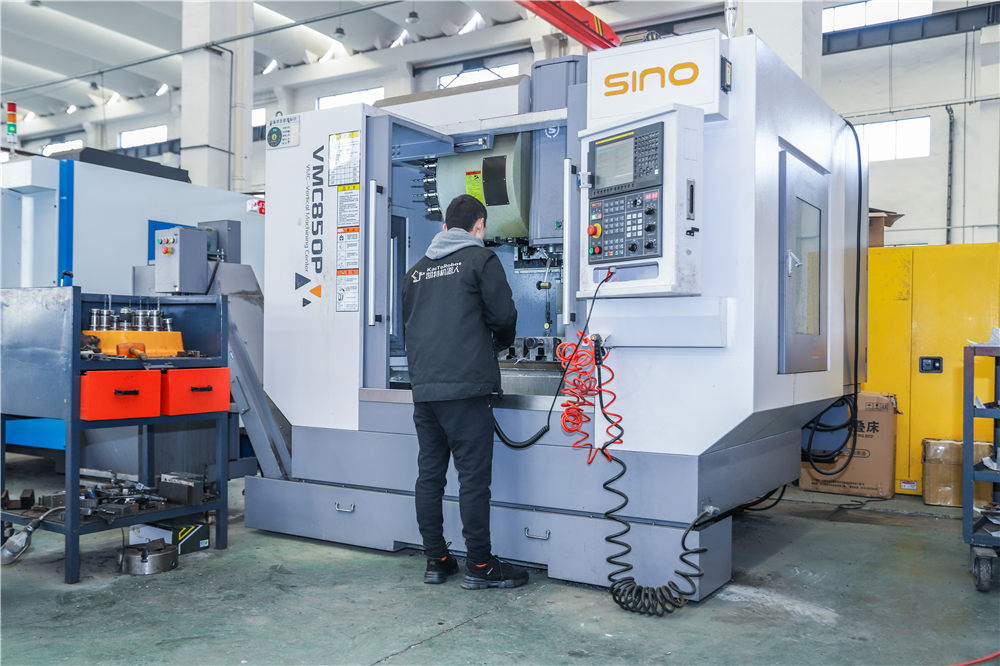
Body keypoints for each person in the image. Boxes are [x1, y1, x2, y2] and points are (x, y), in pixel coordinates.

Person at [401, 194, 529, 590]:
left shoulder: (416, 272)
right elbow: (504, 316)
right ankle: (480, 565)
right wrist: (499, 344)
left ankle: (437, 560)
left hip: (425, 391)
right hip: (466, 389)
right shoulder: (481, 259)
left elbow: (409, 326)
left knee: (430, 477)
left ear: (444, 228)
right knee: (473, 480)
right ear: (479, 226)